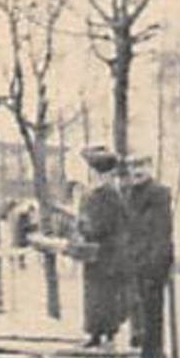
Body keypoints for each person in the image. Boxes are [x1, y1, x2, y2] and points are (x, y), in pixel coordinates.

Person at [121, 154, 175, 358]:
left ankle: (151, 355)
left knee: (152, 307)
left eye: (141, 166)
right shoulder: (130, 193)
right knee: (142, 306)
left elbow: (162, 230)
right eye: (133, 166)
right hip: (137, 257)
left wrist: (156, 261)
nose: (137, 171)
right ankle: (147, 349)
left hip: (153, 258)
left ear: (150, 168)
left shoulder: (159, 193)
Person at [78, 145, 128, 347]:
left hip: (108, 251)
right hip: (96, 251)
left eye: (97, 172)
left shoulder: (109, 194)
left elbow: (103, 224)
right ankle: (95, 333)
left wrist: (85, 227)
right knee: (93, 292)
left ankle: (107, 335)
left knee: (106, 294)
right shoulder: (94, 193)